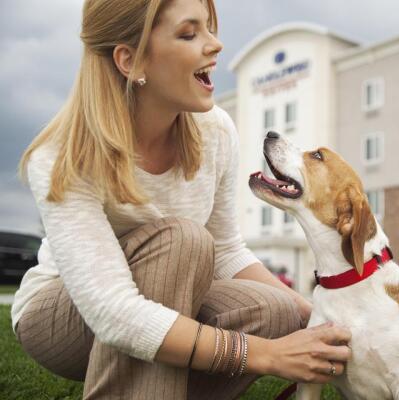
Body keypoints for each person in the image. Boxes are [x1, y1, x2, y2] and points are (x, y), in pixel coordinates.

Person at [10, 0, 351, 398]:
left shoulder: (216, 131)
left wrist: (314, 315)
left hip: (172, 295)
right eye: (190, 34)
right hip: (65, 318)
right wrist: (264, 355)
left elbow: (225, 250)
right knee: (182, 240)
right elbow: (113, 312)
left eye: (209, 28)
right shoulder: (60, 153)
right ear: (131, 61)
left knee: (275, 311)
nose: (215, 45)